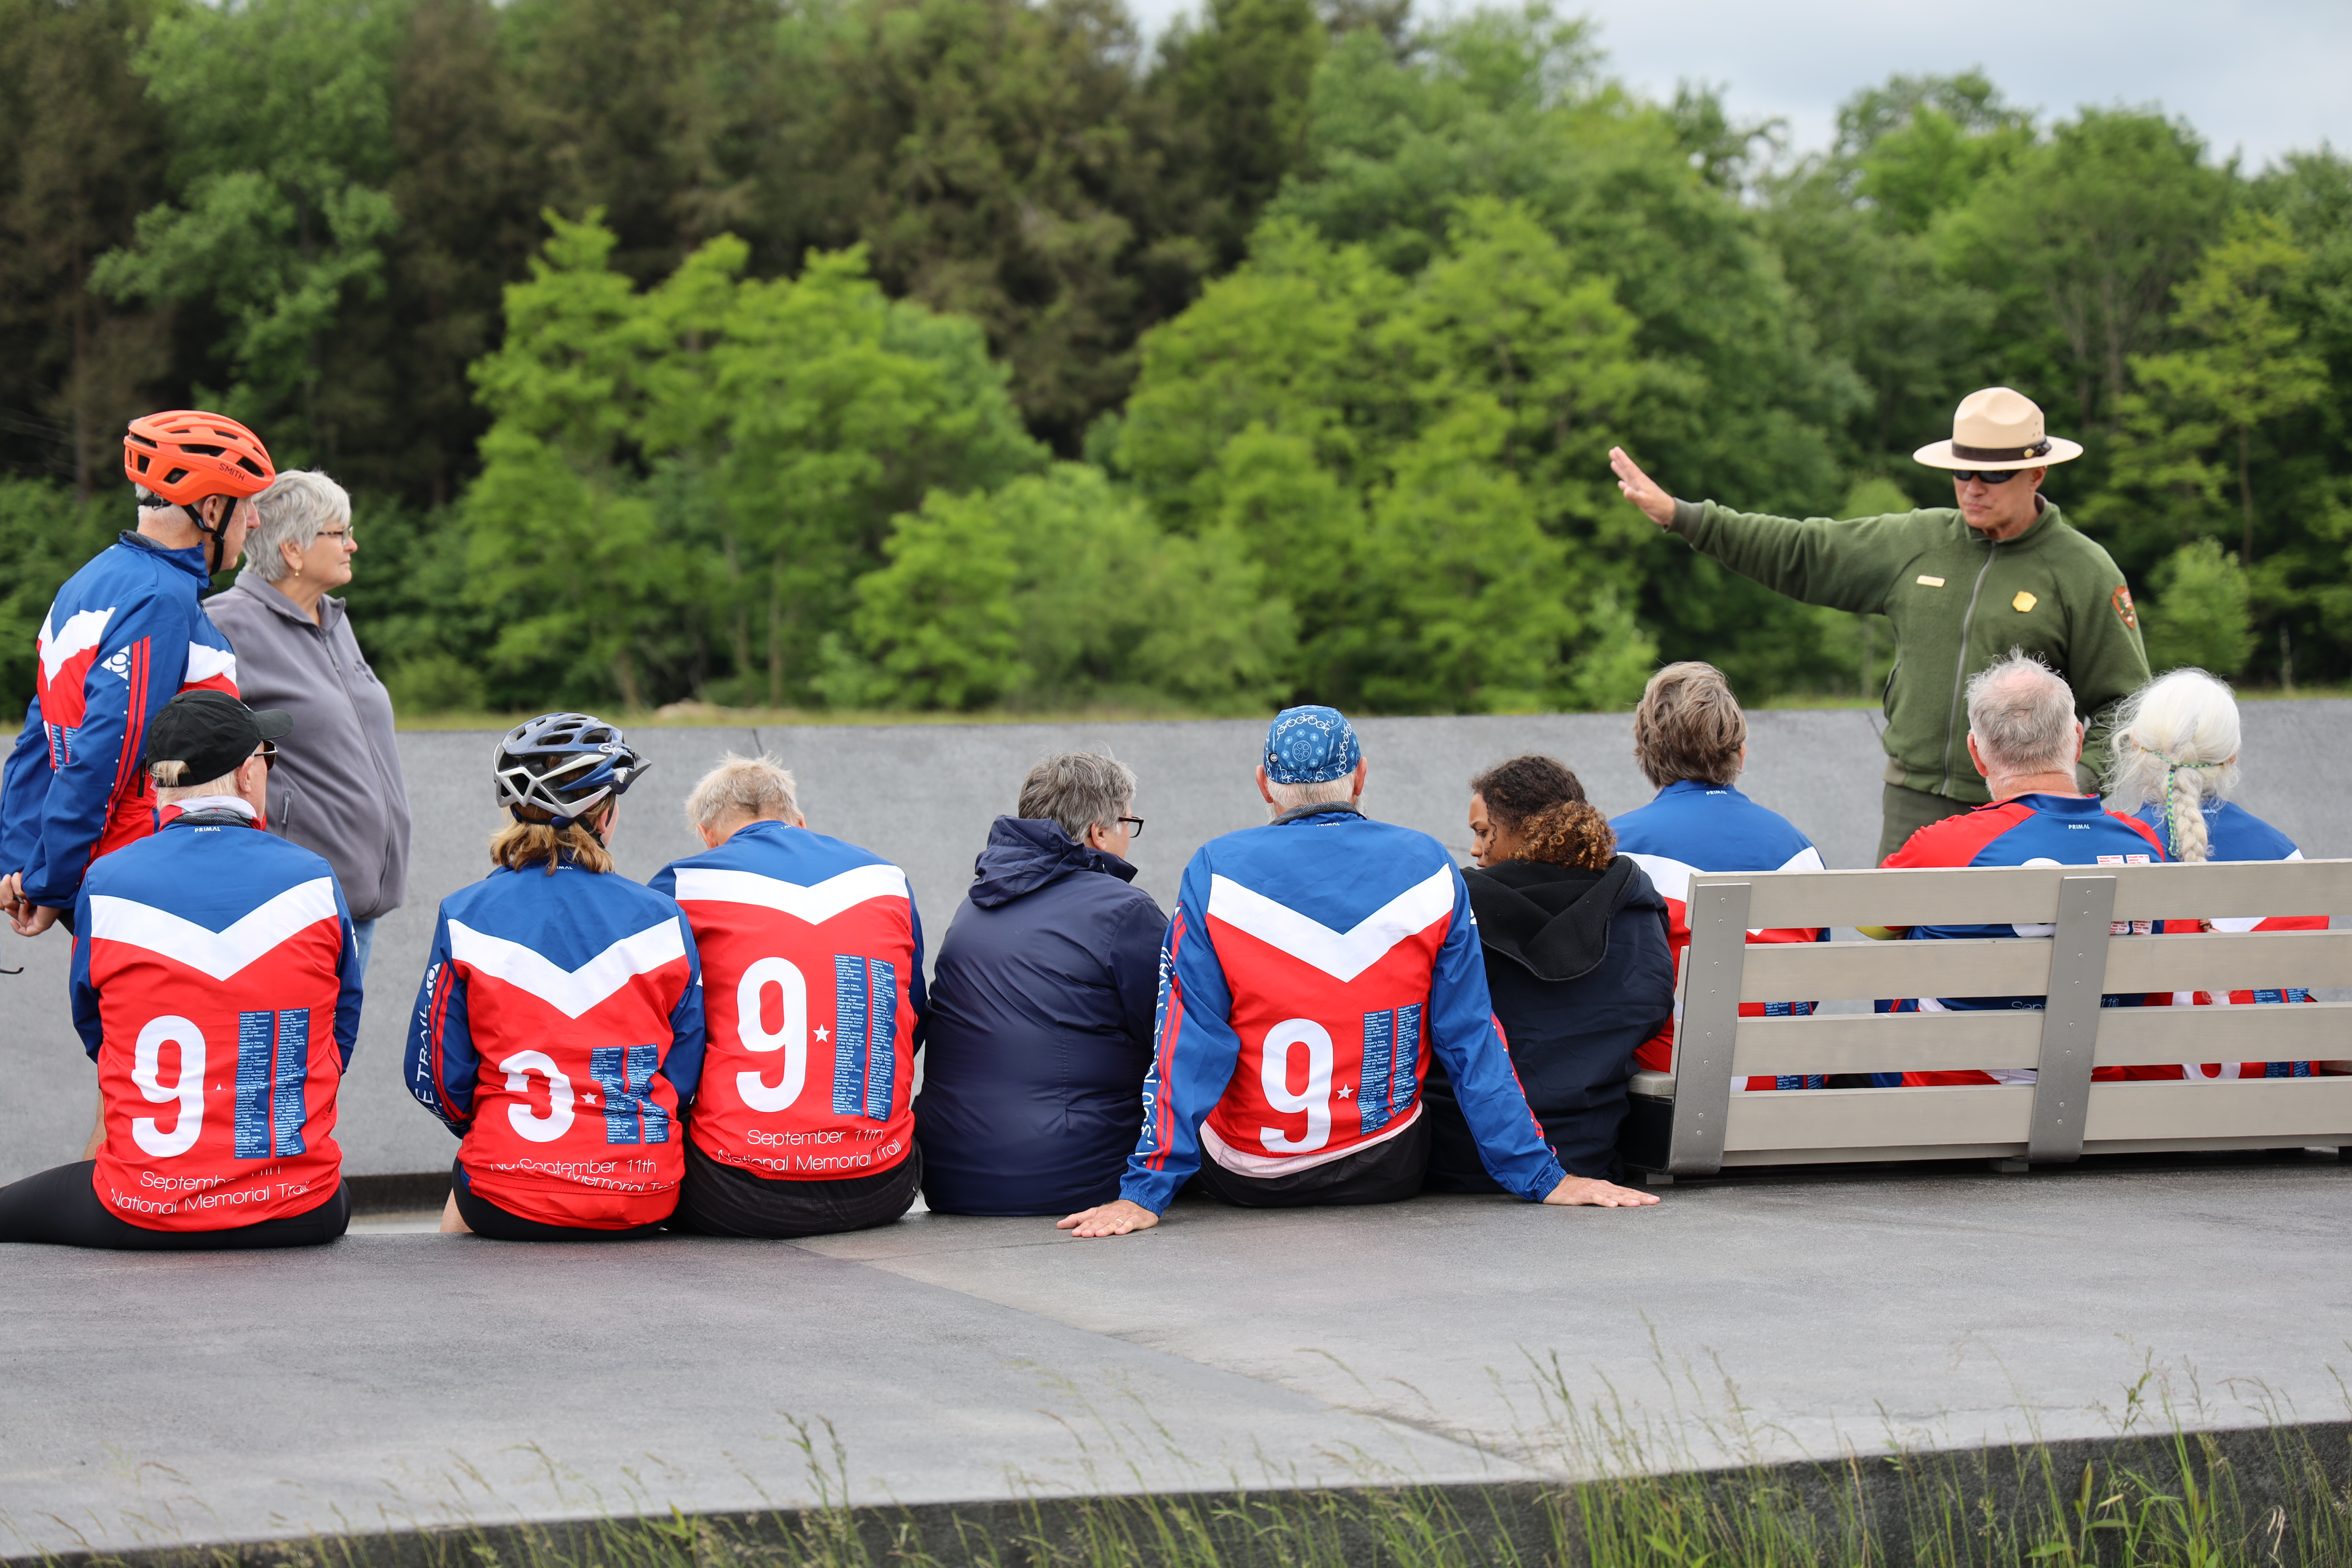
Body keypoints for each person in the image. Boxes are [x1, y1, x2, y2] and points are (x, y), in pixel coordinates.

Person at [1060, 707, 1655, 1238]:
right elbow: (1470, 1034)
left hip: (1250, 1178)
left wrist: (1146, 1191)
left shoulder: (1216, 868)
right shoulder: (1427, 863)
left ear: (1265, 785)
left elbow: (1188, 1039)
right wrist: (1541, 1176)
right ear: (1362, 778)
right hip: (1386, 1166)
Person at [1609, 387, 2151, 865]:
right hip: (1915, 804)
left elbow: (2127, 709)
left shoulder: (2083, 571)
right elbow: (1802, 551)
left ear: (2038, 473)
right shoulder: (1919, 542)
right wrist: (1681, 516)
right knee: (1898, 957)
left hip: (2027, 811)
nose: (1973, 487)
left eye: (1994, 473)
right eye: (1963, 470)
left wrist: (2072, 785)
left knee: (2015, 960)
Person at [0, 691, 357, 1248]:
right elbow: (341, 1031)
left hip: (144, 1208)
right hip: (298, 1210)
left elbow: (97, 1030)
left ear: (156, 787)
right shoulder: (313, 877)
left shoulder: (108, 880)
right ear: (246, 776)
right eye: (267, 757)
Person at [405, 713, 704, 1239]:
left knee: (467, 1195)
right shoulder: (662, 918)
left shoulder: (466, 913)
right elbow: (685, 1068)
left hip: (508, 1192)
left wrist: (490, 1129)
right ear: (604, 814)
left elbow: (432, 1076)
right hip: (643, 1194)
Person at [2, 410, 273, 940]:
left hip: (115, 877)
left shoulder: (87, 582)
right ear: (213, 508)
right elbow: (103, 756)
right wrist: (50, 881)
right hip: (156, 882)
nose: (256, 521)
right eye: (248, 505)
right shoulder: (160, 601)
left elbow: (39, 740)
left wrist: (20, 864)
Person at [649, 754, 926, 1237]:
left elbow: (663, 1034)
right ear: (800, 822)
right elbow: (913, 1013)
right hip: (885, 1184)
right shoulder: (888, 880)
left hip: (737, 1191)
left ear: (708, 835)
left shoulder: (685, 882)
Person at [1878, 653, 2170, 1086]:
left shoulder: (1944, 844)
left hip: (1956, 1092)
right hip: (2099, 1087)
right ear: (2075, 740)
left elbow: (1873, 927)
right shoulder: (2145, 844)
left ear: (1976, 754)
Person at [916, 751, 1166, 1216]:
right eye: (1127, 824)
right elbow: (1172, 1040)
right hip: (1072, 1179)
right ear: (1099, 831)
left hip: (949, 1179)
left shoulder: (972, 907)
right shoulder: (1125, 911)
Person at [1423, 757, 1673, 1191]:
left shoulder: (1459, 907)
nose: (1477, 850)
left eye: (1484, 832)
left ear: (1523, 830)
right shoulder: (1633, 905)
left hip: (1459, 1159)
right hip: (1590, 1154)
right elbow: (1650, 1009)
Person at [205, 470, 410, 983]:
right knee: (293, 1059)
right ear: (293, 549)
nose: (353, 545)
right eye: (339, 533)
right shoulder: (225, 623)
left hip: (353, 905)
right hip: (291, 907)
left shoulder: (332, 621)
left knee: (330, 1060)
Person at [1609, 664, 1829, 1092]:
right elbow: (1813, 983)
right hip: (1786, 1097)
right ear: (1740, 754)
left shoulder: (1616, 848)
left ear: (1645, 755)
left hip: (1670, 1098)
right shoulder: (1798, 849)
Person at [2106, 668, 2322, 1077]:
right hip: (2268, 1094)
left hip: (2142, 1099)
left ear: (2135, 747)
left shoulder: (2107, 855)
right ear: (2232, 757)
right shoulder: (2286, 857)